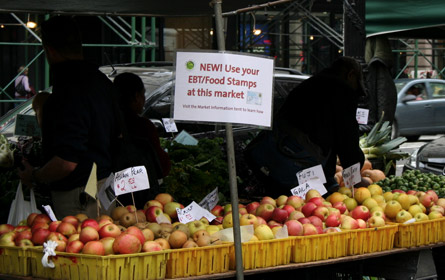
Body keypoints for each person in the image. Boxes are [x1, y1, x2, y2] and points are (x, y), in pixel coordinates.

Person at [17, 16, 117, 219]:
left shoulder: (69, 91)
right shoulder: (101, 81)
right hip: (105, 187)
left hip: (79, 197)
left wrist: (35, 176)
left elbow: (66, 162)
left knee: (77, 249)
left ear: (50, 50)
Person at [246, 56, 366, 197]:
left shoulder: (311, 83)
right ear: (350, 75)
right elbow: (347, 139)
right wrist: (355, 173)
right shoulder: (343, 91)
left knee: (283, 203)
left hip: (276, 159)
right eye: (357, 84)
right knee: (306, 202)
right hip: (298, 163)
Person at [113, 72, 171, 208]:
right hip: (141, 199)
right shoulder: (143, 126)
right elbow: (162, 167)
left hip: (111, 194)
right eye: (143, 95)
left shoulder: (105, 122)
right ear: (136, 97)